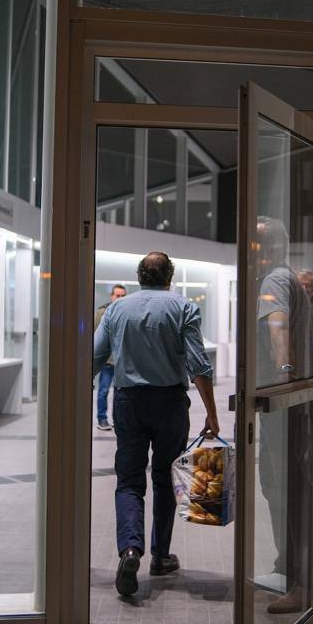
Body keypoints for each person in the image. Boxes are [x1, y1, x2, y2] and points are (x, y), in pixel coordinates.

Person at [93, 251, 219, 597]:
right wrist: (212, 412)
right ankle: (160, 556)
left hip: (129, 403)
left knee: (130, 482)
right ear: (170, 277)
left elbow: (93, 355)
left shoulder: (117, 309)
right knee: (165, 480)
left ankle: (130, 549)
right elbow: (198, 364)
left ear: (138, 277)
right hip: (169, 404)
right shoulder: (183, 308)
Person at [256, 216, 313, 614]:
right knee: (278, 485)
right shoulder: (285, 278)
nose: (250, 250)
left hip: (282, 404)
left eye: (255, 243)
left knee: (285, 486)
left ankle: (300, 581)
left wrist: (283, 379)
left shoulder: (274, 281)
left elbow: (279, 330)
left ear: (271, 247)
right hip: (286, 403)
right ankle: (287, 564)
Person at [93, 284, 127, 429]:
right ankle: (102, 419)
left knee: (120, 393)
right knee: (104, 390)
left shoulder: (127, 312)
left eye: (123, 296)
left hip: (122, 361)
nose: (120, 298)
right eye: (118, 295)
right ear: (112, 296)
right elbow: (96, 336)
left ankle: (117, 420)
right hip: (107, 361)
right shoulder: (102, 313)